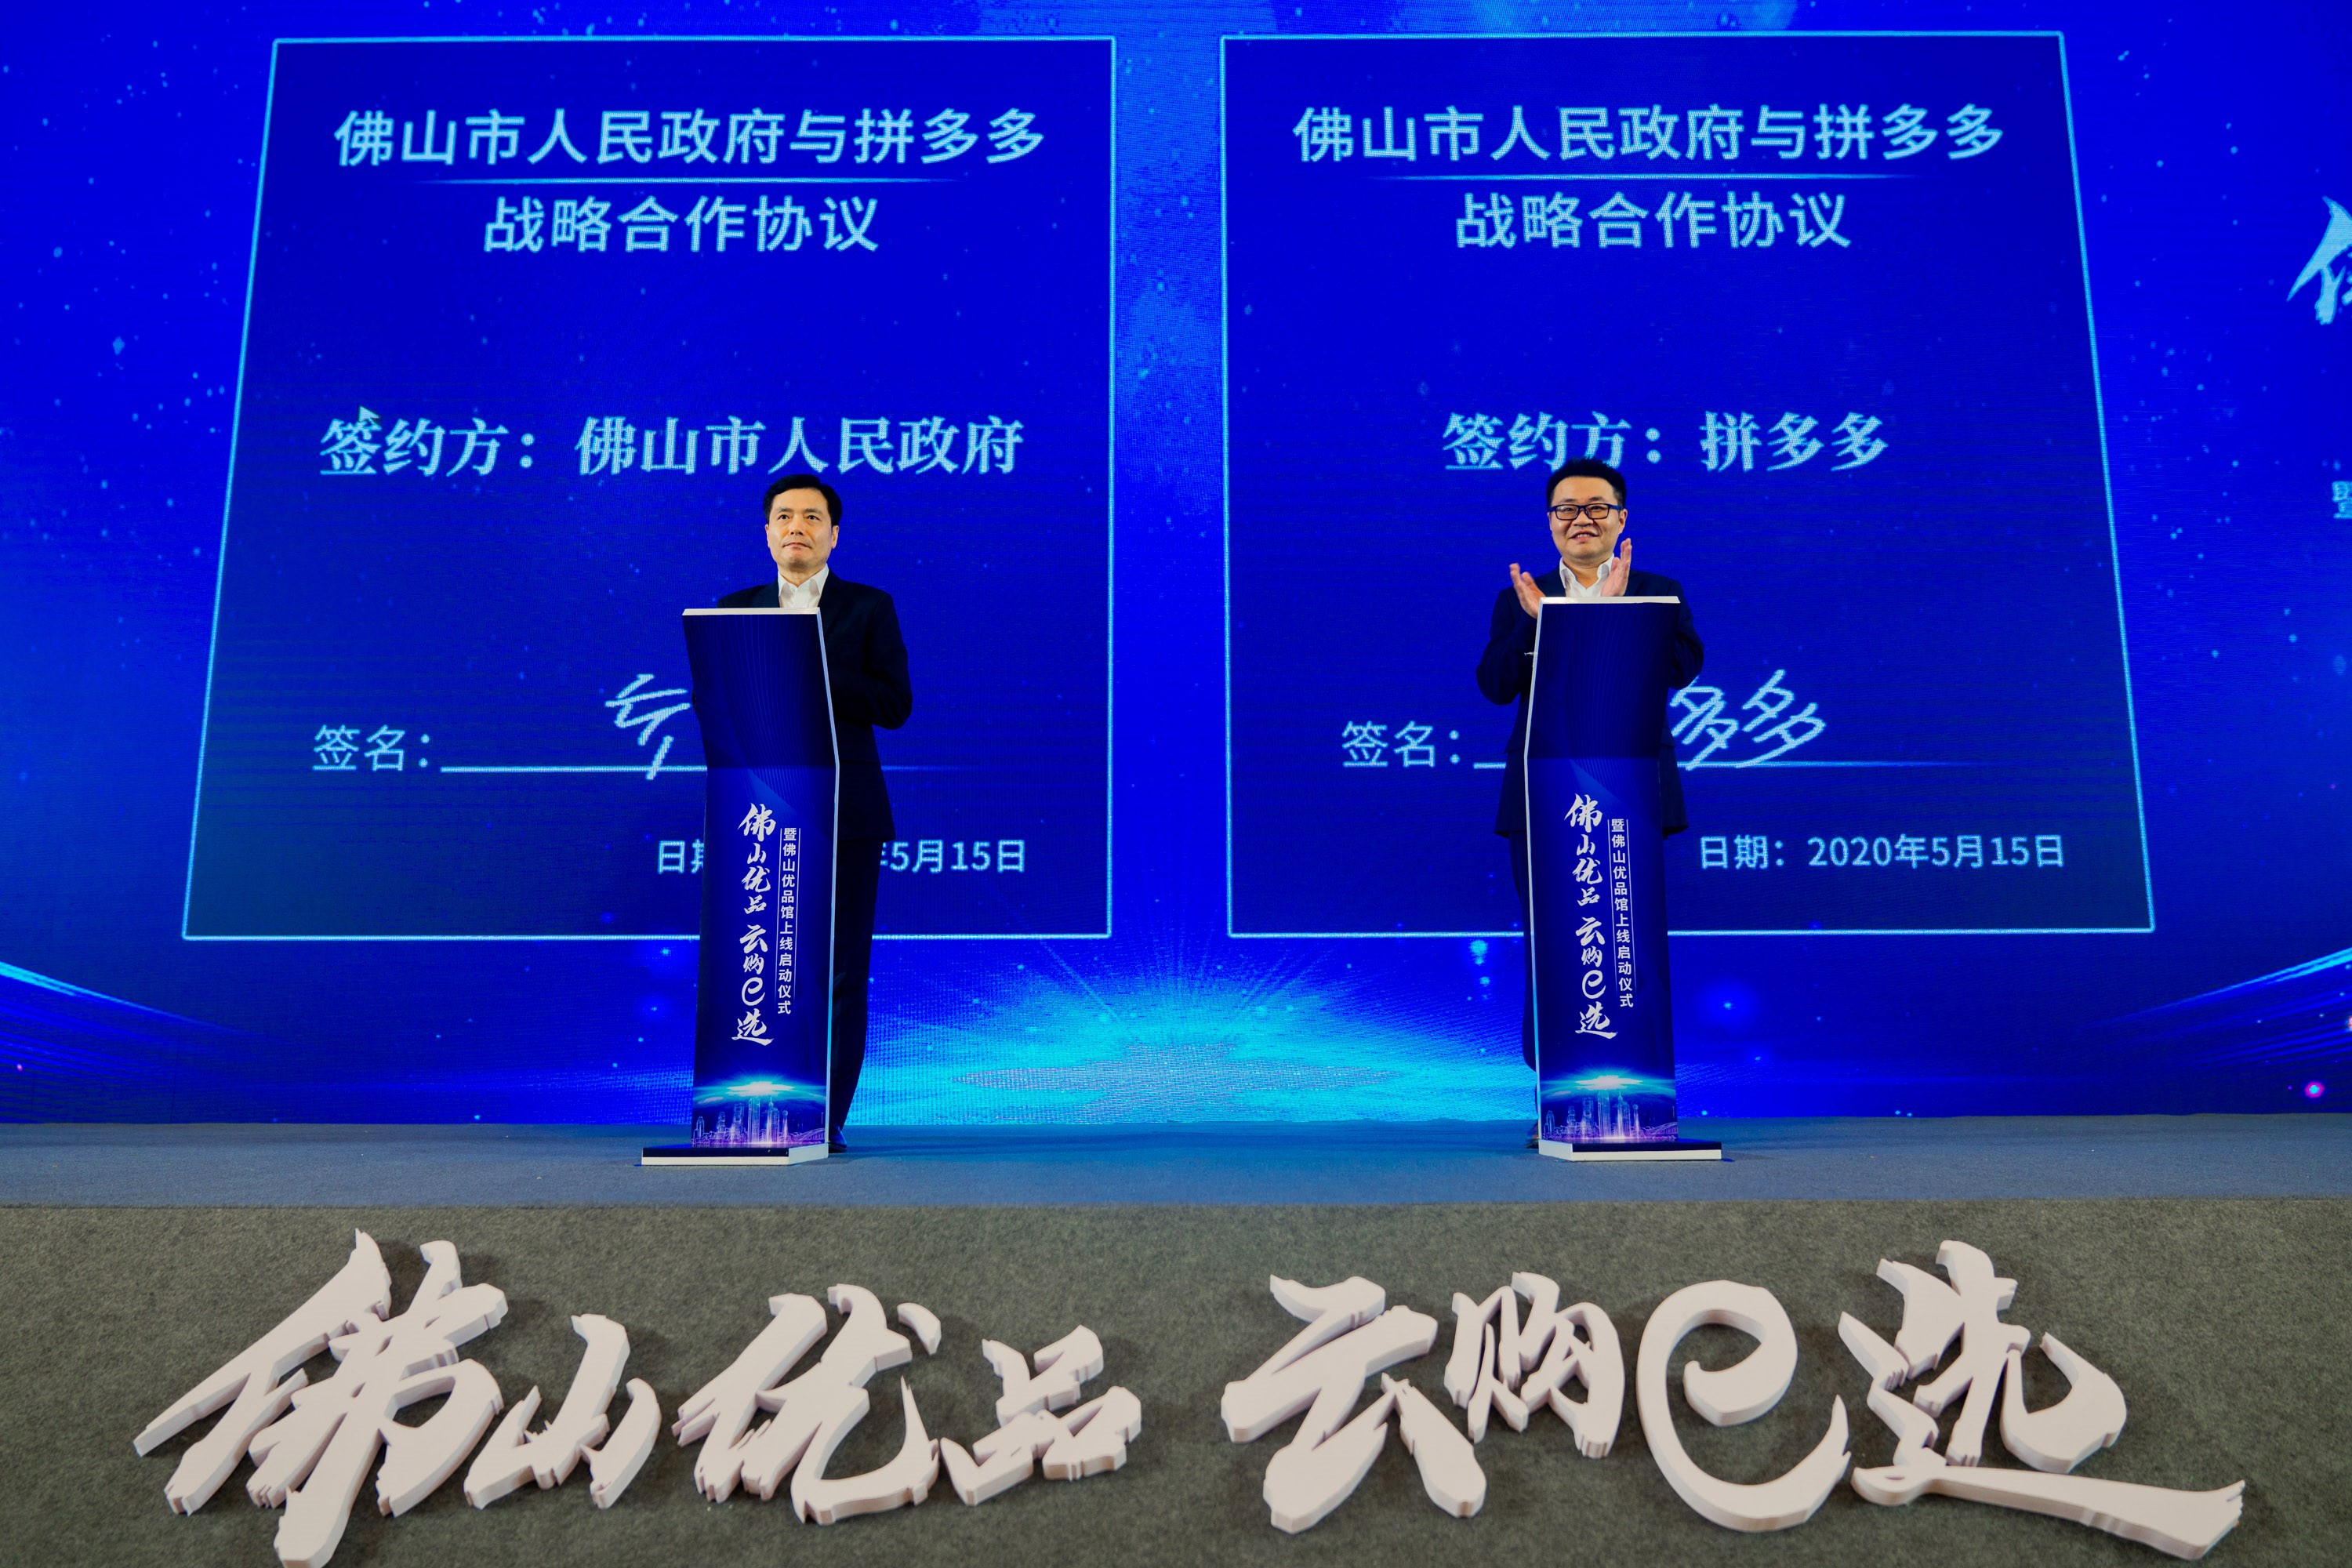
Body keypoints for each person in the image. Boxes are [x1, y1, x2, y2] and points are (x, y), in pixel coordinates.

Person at [1475, 456, 1703, 1073]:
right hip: (1541, 797)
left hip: (1631, 792)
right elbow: (1495, 685)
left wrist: (1616, 612)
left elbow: (1682, 668)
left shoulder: (1656, 589)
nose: (1582, 519)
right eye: (1567, 509)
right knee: (1552, 939)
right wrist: (1534, 624)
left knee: (1627, 938)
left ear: (1621, 518)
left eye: (1597, 507)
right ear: (1550, 522)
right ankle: (1556, 1090)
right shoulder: (1520, 599)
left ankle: (1635, 1089)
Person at [719, 474, 912, 1152]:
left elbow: (894, 704)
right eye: (783, 516)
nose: (795, 527)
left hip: (845, 812)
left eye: (811, 517)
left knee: (839, 971)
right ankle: (752, 1109)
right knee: (761, 965)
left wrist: (810, 656)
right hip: (757, 813)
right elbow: (720, 702)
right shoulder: (735, 609)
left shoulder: (868, 607)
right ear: (767, 532)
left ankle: (820, 1116)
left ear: (833, 534)